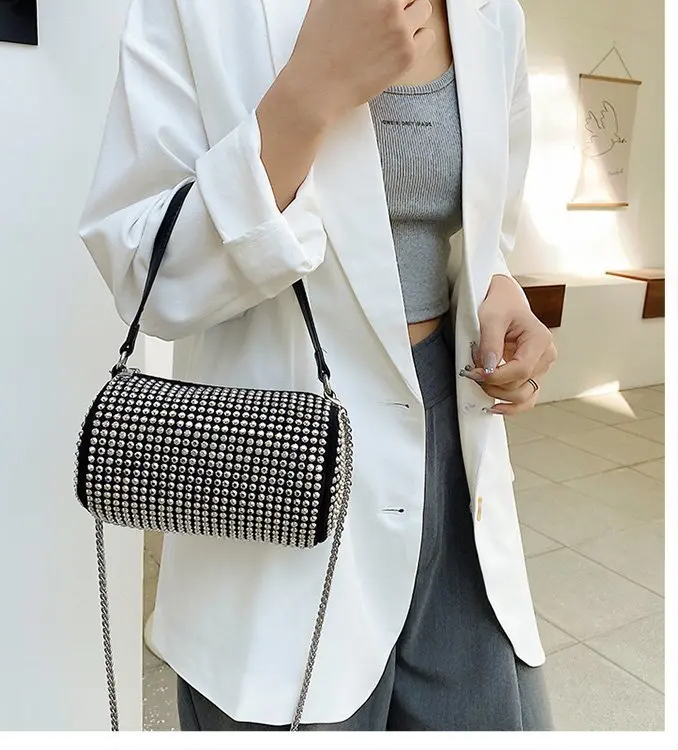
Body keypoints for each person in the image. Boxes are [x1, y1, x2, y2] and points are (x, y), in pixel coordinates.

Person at [79, 0, 558, 732]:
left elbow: (485, 230)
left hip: (456, 460)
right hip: (273, 469)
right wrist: (307, 95)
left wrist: (499, 288)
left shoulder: (495, 14)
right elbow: (143, 272)